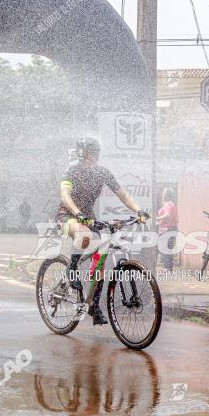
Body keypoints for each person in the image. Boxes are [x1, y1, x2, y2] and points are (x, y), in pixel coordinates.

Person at [57, 137, 149, 325]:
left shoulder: (102, 173)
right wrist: (78, 213)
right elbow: (65, 196)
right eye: (91, 153)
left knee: (101, 258)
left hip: (88, 218)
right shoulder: (72, 170)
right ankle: (71, 269)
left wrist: (138, 210)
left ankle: (94, 304)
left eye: (96, 154)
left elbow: (122, 194)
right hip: (67, 215)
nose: (94, 157)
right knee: (84, 236)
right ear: (82, 154)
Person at [156, 187, 179, 272]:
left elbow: (167, 215)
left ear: (165, 195)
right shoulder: (172, 204)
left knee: (164, 248)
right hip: (173, 228)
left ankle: (166, 268)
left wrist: (157, 218)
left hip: (167, 229)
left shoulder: (167, 205)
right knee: (169, 248)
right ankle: (169, 268)